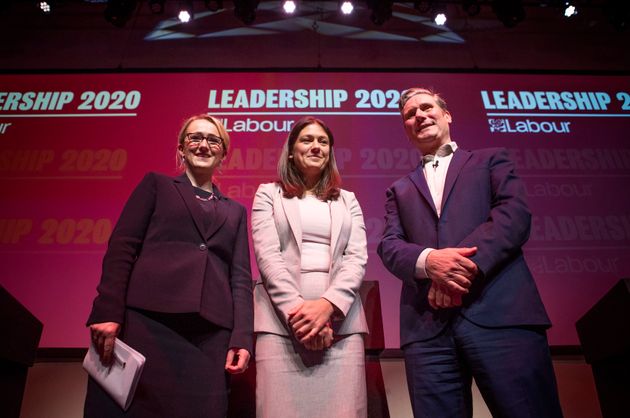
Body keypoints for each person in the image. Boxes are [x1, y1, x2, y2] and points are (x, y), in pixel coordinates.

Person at [378, 88, 564, 418]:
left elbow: (513, 215)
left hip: (501, 317)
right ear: (406, 128)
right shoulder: (399, 189)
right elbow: (389, 245)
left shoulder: (491, 159)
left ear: (446, 115)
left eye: (426, 107)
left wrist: (458, 269)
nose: (419, 115)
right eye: (410, 114)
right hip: (428, 332)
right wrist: (430, 262)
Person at [84, 114, 253, 418]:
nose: (203, 144)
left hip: (209, 336)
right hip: (148, 325)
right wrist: (108, 310)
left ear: (223, 152)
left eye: (212, 140)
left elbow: (240, 278)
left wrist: (242, 337)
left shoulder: (236, 211)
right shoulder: (156, 185)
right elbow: (123, 248)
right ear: (181, 148)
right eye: (195, 137)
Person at [251, 116, 368, 418]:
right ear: (291, 151)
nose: (315, 146)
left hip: (341, 328)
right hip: (281, 327)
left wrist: (327, 307)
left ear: (330, 152)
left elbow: (356, 258)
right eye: (307, 140)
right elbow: (268, 257)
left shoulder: (348, 200)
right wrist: (301, 316)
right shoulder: (268, 194)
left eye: (323, 141)